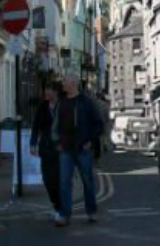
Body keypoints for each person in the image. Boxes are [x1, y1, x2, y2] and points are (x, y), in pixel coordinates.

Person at [54, 74, 104, 227]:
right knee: (64, 183)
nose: (62, 84)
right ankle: (64, 214)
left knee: (87, 181)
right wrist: (57, 141)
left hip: (82, 148)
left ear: (73, 83)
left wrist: (90, 141)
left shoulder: (86, 102)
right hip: (66, 148)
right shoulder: (61, 102)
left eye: (65, 81)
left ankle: (91, 211)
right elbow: (56, 124)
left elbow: (98, 124)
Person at [30, 81, 63, 220]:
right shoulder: (42, 106)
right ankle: (56, 204)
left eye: (48, 89)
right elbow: (36, 126)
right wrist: (33, 143)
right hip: (46, 147)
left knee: (59, 179)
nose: (45, 92)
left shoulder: (63, 105)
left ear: (55, 91)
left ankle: (60, 207)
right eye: (45, 89)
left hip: (61, 148)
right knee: (47, 178)